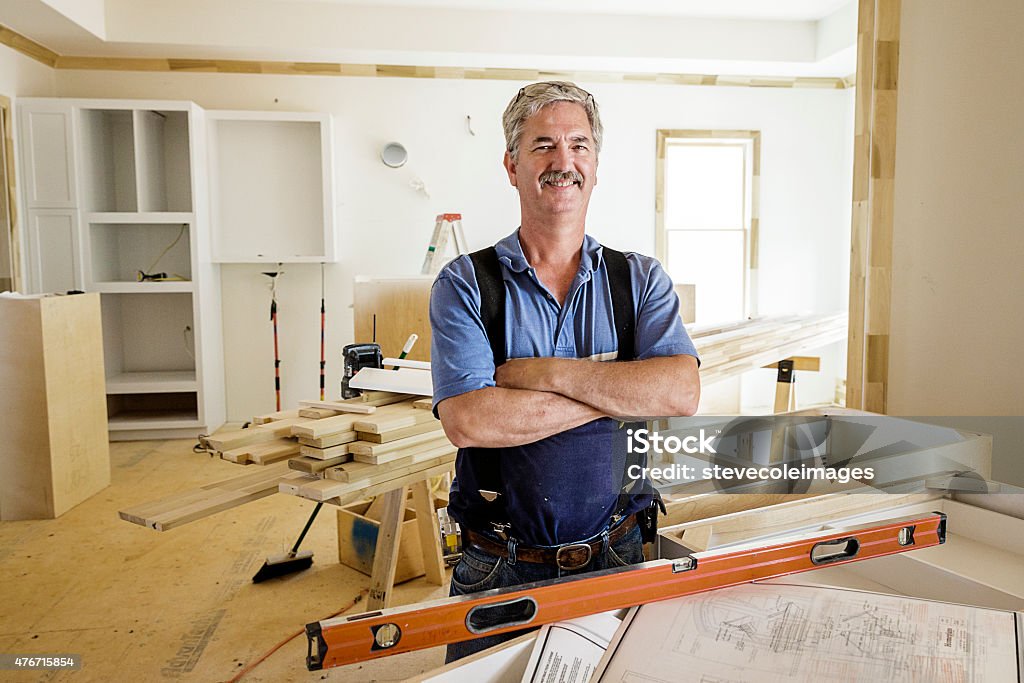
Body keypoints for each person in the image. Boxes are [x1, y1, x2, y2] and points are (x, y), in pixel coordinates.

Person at [429, 81, 701, 661]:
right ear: (512, 164)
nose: (564, 161)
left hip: (620, 555)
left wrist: (543, 373)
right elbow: (471, 422)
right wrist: (623, 390)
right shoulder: (466, 285)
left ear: (596, 166)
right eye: (543, 145)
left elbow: (679, 390)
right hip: (498, 566)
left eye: (579, 145)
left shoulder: (640, 281)